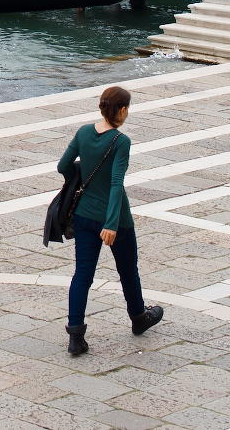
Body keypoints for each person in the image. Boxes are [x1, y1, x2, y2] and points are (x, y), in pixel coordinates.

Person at [58, 86, 161, 356]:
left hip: (83, 215)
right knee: (128, 270)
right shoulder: (120, 141)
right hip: (116, 220)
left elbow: (63, 166)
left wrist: (81, 175)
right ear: (123, 110)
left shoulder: (83, 132)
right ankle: (138, 317)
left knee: (82, 275)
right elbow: (116, 183)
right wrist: (111, 224)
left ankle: (75, 336)